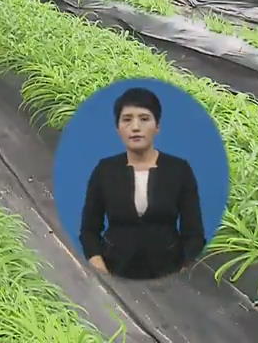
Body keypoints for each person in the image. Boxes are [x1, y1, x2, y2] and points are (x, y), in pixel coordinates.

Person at [79, 86, 205, 280]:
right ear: (117, 127)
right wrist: (99, 267)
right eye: (127, 119)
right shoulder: (105, 170)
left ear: (157, 126)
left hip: (168, 272)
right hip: (114, 269)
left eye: (144, 119)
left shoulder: (179, 170)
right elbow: (89, 230)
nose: (135, 127)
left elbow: (194, 234)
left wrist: (180, 270)